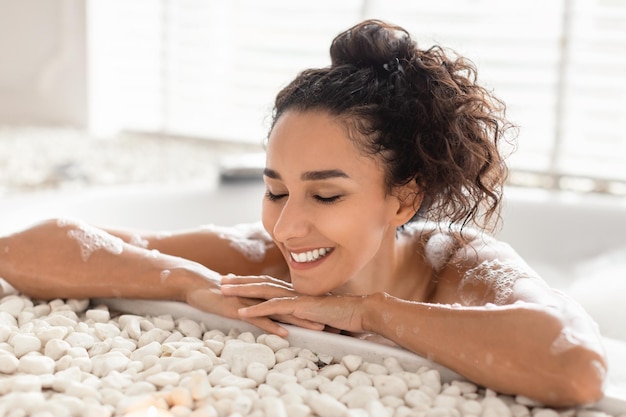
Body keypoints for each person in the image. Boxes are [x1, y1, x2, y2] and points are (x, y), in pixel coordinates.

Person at [0, 19, 606, 407]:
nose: (287, 227)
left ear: (404, 199)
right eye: (275, 189)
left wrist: (365, 313)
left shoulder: (459, 266)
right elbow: (26, 248)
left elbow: (575, 366)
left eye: (326, 194)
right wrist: (192, 283)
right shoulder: (262, 257)